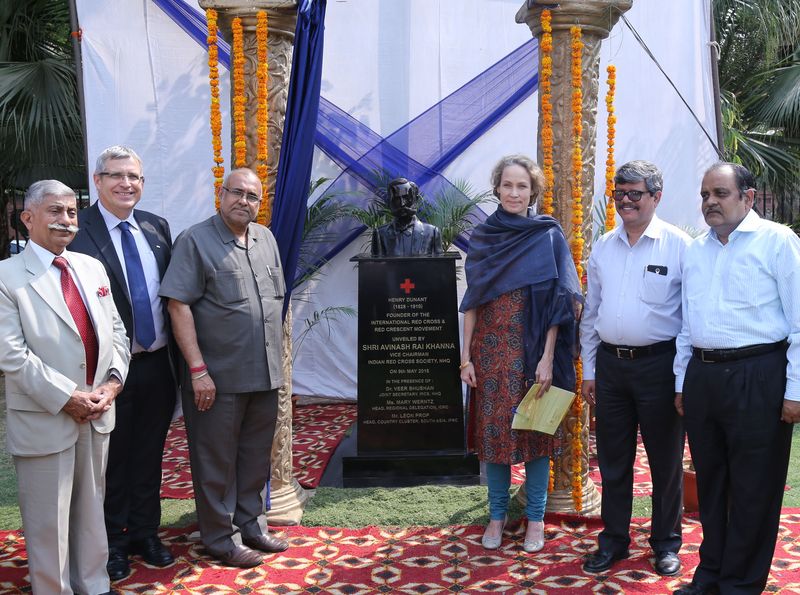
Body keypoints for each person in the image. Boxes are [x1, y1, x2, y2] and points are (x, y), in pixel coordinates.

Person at [672, 162, 800, 595]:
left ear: (748, 197)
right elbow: (687, 324)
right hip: (704, 378)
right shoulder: (695, 250)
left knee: (753, 488)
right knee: (711, 484)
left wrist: (795, 391)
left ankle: (741, 585)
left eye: (720, 193)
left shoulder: (778, 242)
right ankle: (710, 576)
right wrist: (680, 381)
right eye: (705, 194)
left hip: (759, 375)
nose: (710, 202)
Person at [0, 180, 130, 594]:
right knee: (48, 522)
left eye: (72, 212)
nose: (66, 220)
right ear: (28, 218)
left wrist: (111, 385)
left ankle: (94, 586)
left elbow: (117, 333)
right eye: (55, 211)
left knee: (92, 513)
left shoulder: (90, 267)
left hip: (97, 411)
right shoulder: (6, 276)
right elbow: (11, 355)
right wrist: (68, 398)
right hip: (45, 416)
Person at [159, 168, 289, 568]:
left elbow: (275, 305)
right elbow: (177, 305)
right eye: (236, 193)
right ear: (221, 193)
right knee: (215, 462)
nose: (243, 202)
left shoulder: (265, 239)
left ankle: (252, 525)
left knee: (254, 458)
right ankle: (220, 537)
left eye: (252, 197)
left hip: (264, 375)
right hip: (216, 378)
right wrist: (197, 370)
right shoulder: (194, 240)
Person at [459, 154, 581, 553]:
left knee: (536, 438)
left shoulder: (546, 235)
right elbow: (472, 300)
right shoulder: (484, 237)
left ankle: (535, 521)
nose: (514, 192)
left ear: (533, 192)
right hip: (491, 354)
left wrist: (548, 357)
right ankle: (496, 517)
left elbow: (558, 302)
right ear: (497, 188)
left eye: (522, 186)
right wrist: (466, 357)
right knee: (494, 440)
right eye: (508, 185)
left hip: (532, 355)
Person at [70, 145, 177, 580]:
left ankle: (146, 533)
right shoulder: (79, 231)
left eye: (134, 176)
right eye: (116, 175)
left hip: (157, 364)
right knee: (111, 458)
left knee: (150, 453)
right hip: (105, 369)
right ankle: (113, 540)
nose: (126, 183)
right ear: (97, 181)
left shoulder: (156, 226)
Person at [580, 160, 690, 576]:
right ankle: (614, 541)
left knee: (664, 461)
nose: (625, 201)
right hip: (611, 369)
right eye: (619, 193)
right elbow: (591, 313)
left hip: (660, 367)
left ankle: (665, 543)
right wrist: (589, 370)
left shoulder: (679, 246)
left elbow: (689, 319)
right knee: (613, 459)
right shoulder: (604, 246)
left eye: (634, 194)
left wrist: (681, 378)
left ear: (656, 197)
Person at [371, 177, 444, 256]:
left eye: (406, 198)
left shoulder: (432, 232)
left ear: (416, 199)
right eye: (397, 199)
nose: (402, 204)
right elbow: (376, 266)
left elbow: (439, 265)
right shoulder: (380, 234)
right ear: (389, 202)